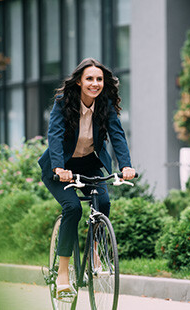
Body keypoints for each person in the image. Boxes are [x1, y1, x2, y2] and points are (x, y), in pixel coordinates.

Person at [38, 58, 136, 298]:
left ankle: (95, 250)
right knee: (73, 208)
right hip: (60, 168)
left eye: (99, 79)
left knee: (103, 203)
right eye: (89, 79)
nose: (95, 83)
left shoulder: (106, 104)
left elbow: (117, 135)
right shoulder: (64, 103)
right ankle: (62, 274)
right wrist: (59, 169)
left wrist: (126, 165)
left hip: (90, 165)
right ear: (80, 81)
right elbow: (55, 135)